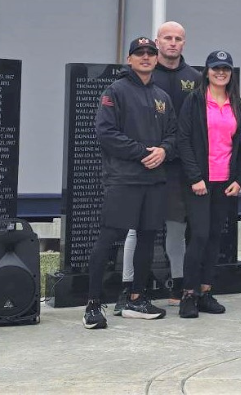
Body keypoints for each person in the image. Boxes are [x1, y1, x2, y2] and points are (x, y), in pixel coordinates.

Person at [84, 36, 177, 329]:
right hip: (124, 179)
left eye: (151, 53)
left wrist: (164, 151)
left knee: (149, 238)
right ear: (130, 58)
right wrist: (142, 153)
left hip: (154, 180)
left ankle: (137, 297)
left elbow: (174, 135)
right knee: (108, 238)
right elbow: (106, 132)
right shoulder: (116, 90)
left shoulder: (162, 96)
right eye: (140, 53)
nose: (146, 57)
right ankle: (93, 304)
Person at [117, 21, 202, 311]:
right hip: (145, 163)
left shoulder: (195, 77)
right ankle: (128, 288)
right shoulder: (141, 78)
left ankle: (178, 285)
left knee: (176, 226)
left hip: (178, 163)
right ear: (157, 42)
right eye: (167, 38)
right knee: (135, 227)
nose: (173, 43)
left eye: (178, 38)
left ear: (184, 43)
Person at [175, 50, 241, 319]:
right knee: (199, 235)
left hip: (224, 182)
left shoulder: (236, 104)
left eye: (225, 68)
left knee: (215, 237)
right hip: (199, 182)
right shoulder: (194, 101)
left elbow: (240, 147)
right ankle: (188, 294)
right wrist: (195, 177)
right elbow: (184, 140)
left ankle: (205, 291)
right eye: (215, 68)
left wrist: (240, 179)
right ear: (206, 72)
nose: (220, 72)